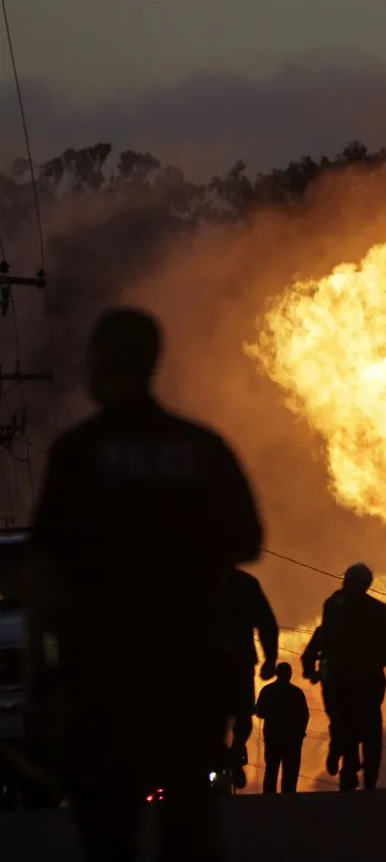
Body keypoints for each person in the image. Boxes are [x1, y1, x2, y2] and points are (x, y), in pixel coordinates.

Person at [27, 307, 263, 861]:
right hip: (186, 666)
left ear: (101, 361)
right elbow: (249, 540)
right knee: (188, 830)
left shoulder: (79, 453)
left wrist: (41, 679)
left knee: (109, 832)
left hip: (102, 676)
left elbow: (45, 572)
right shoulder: (200, 448)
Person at [300, 562, 386, 792]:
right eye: (348, 581)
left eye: (354, 582)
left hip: (366, 680)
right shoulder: (333, 605)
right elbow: (323, 634)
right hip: (338, 678)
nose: (349, 586)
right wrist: (311, 664)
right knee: (343, 722)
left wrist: (373, 664)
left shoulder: (376, 610)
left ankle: (365, 774)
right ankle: (348, 765)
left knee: (368, 727)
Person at [217, 566, 278, 789]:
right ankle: (228, 755)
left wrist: (270, 658)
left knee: (242, 714)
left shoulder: (245, 584)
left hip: (235, 662)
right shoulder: (245, 583)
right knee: (235, 715)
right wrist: (270, 658)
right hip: (225, 662)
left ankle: (233, 753)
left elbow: (266, 623)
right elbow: (267, 623)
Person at [254, 662, 309, 795]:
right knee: (290, 772)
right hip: (292, 739)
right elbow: (304, 715)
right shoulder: (296, 692)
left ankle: (269, 801)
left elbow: (259, 712)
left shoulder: (268, 690)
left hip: (273, 737)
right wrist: (300, 732)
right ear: (290, 674)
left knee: (271, 770)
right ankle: (287, 801)